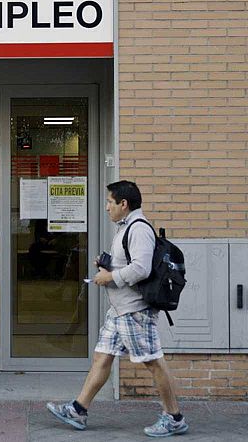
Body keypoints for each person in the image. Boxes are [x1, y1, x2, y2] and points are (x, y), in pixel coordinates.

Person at [46, 180, 189, 437]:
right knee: (102, 356)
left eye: (110, 202)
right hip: (119, 309)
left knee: (154, 363)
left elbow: (141, 268)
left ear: (124, 204)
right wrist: (107, 265)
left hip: (135, 311)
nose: (106, 207)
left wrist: (109, 277)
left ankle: (174, 417)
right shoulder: (125, 227)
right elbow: (129, 263)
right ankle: (78, 410)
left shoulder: (139, 229)